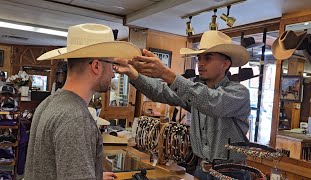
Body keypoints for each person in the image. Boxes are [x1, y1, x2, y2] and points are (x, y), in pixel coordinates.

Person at [115, 30, 251, 179]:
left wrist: (167, 74)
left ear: (225, 64)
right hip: (201, 169)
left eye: (208, 58)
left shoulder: (239, 93)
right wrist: (132, 73)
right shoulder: (194, 92)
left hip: (231, 173)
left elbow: (212, 103)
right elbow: (161, 92)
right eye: (199, 58)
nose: (201, 63)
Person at [24, 23, 141, 180]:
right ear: (96, 66)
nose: (113, 74)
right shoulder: (76, 118)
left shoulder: (48, 103)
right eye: (112, 66)